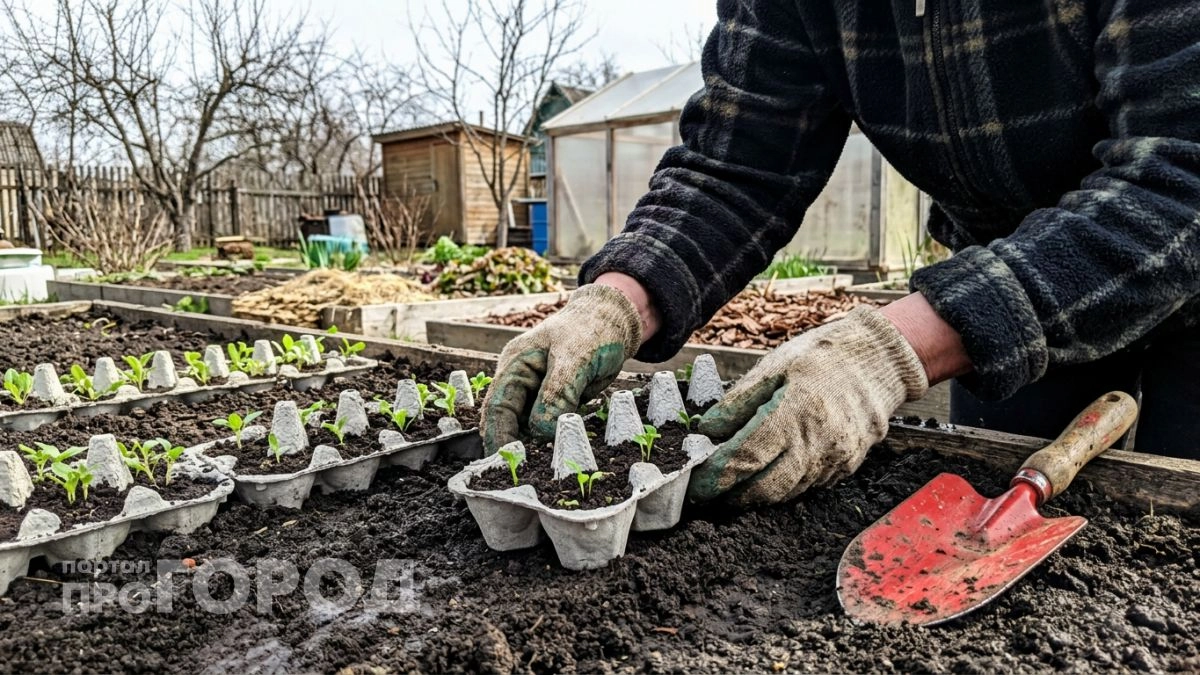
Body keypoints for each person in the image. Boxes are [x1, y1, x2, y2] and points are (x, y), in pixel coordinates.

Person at [481, 0, 1200, 505]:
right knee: (1009, 512)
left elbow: (1181, 178)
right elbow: (740, 161)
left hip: (1183, 264)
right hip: (1009, 284)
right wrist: (619, 297)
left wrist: (889, 351)